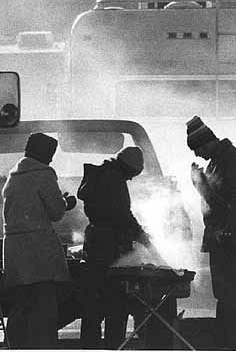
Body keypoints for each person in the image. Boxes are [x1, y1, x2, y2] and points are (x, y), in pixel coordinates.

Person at [186, 115, 236, 350]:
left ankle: (234, 343)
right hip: (224, 236)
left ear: (206, 142)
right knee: (227, 293)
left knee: (231, 293)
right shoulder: (220, 160)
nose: (197, 154)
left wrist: (227, 229)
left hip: (231, 237)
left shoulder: (230, 160)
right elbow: (220, 201)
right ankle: (230, 341)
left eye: (197, 148)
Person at [0, 132, 77, 349]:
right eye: (50, 154)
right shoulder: (44, 173)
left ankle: (15, 346)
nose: (52, 159)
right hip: (38, 250)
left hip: (15, 250)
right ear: (44, 153)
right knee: (45, 305)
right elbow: (56, 212)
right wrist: (67, 201)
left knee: (20, 305)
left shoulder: (13, 175)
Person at [78, 146, 156, 349]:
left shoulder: (103, 174)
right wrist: (143, 238)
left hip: (95, 243)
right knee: (116, 302)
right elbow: (123, 215)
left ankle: (90, 346)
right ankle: (114, 347)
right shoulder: (115, 179)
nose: (131, 179)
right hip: (110, 246)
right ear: (128, 168)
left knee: (93, 306)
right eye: (132, 174)